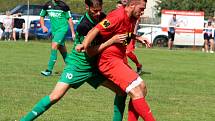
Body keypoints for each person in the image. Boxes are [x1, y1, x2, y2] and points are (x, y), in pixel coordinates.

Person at [20, 0, 127, 121]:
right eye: (94, 11)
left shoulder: (103, 18)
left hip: (94, 67)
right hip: (78, 66)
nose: (98, 13)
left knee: (122, 92)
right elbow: (91, 51)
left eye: (99, 10)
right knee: (55, 96)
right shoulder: (84, 26)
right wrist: (111, 41)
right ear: (87, 7)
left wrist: (135, 37)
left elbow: (114, 33)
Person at [81, 0, 156, 121]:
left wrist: (137, 37)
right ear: (132, 5)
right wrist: (84, 44)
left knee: (142, 89)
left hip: (119, 59)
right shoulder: (117, 16)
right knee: (137, 90)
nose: (142, 12)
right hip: (108, 61)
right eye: (141, 9)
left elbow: (123, 33)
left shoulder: (133, 17)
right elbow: (96, 29)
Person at [40, 0, 76, 76]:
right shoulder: (47, 5)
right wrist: (43, 26)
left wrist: (73, 32)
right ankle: (73, 69)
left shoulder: (64, 6)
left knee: (54, 46)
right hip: (54, 31)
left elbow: (69, 19)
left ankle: (49, 70)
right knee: (63, 51)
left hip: (62, 29)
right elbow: (42, 16)